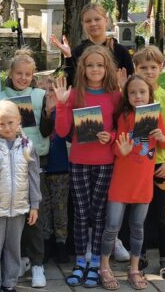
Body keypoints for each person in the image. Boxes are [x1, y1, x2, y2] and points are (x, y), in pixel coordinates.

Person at [52, 45, 122, 288]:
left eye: (100, 65)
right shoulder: (74, 95)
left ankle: (96, 263)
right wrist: (62, 104)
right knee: (81, 214)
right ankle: (81, 260)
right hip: (79, 161)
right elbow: (62, 131)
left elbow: (121, 127)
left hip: (105, 163)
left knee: (98, 214)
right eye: (90, 65)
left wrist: (111, 136)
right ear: (82, 68)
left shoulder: (114, 95)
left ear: (107, 68)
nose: (95, 69)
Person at [98, 75, 165, 290]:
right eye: (133, 92)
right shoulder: (123, 116)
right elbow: (115, 146)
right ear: (126, 96)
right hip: (122, 180)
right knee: (112, 226)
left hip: (143, 181)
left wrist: (161, 136)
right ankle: (104, 267)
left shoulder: (156, 115)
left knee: (138, 227)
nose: (138, 96)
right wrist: (121, 150)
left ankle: (134, 268)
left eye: (142, 92)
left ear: (150, 94)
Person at [0, 49, 55, 288]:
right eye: (19, 73)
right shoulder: (0, 98)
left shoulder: (40, 95)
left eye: (28, 74)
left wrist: (48, 111)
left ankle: (37, 263)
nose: (23, 78)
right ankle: (18, 260)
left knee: (33, 214)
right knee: (13, 216)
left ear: (33, 75)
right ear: (10, 73)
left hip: (35, 161)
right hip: (7, 164)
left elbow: (46, 131)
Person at [0, 101, 41, 292]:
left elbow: (34, 177)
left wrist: (34, 205)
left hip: (19, 207)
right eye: (2, 124)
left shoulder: (27, 145)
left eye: (10, 122)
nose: (7, 127)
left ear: (19, 120)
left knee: (13, 247)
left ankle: (10, 283)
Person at [131, 46, 165, 279]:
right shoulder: (130, 98)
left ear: (162, 68)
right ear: (135, 69)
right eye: (143, 67)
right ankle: (139, 255)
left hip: (161, 167)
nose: (149, 72)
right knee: (137, 217)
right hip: (137, 168)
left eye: (153, 67)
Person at [51, 2, 135, 86]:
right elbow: (72, 85)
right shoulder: (78, 52)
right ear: (83, 24)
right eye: (88, 21)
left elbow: (131, 83)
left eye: (97, 19)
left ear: (106, 20)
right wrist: (68, 57)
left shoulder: (121, 52)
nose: (93, 24)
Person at [37, 74, 70, 265]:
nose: (48, 94)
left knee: (60, 208)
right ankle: (46, 244)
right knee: (43, 208)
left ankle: (61, 244)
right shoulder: (37, 113)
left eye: (51, 90)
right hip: (41, 167)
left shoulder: (62, 110)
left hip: (60, 167)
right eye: (43, 91)